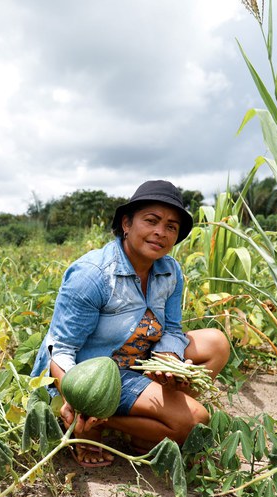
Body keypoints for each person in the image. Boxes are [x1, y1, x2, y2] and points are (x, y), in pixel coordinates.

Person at [31, 180, 230, 467]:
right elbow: (60, 349)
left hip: (139, 361)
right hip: (95, 370)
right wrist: (79, 399)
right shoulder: (93, 274)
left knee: (216, 343)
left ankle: (134, 425)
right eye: (151, 221)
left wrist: (169, 358)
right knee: (196, 419)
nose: (161, 232)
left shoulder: (170, 271)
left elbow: (172, 329)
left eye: (171, 227)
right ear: (126, 223)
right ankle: (93, 421)